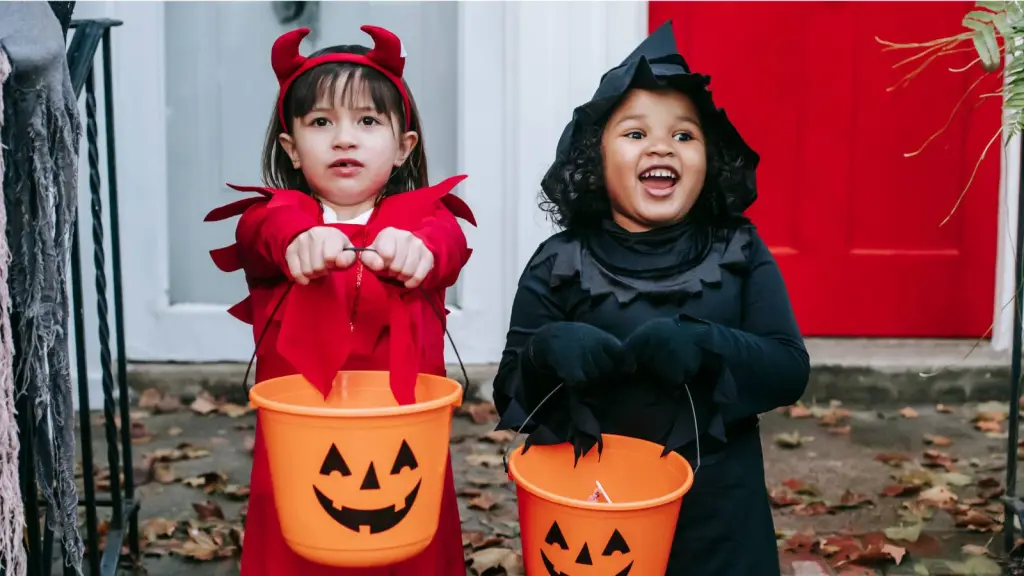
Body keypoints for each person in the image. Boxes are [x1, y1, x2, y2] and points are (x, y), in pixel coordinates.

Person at [491, 21, 810, 575]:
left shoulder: (739, 250)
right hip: (595, 517)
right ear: (595, 159)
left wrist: (708, 345)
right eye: (635, 134)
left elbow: (788, 369)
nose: (661, 145)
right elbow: (512, 397)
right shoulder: (559, 262)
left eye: (684, 135)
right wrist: (547, 351)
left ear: (710, 159)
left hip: (720, 512)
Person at [204, 25, 474, 575]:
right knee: (298, 540)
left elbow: (449, 243)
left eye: (367, 121)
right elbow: (262, 232)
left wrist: (419, 249)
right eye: (320, 123)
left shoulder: (425, 220)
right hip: (305, 439)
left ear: (404, 148)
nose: (343, 139)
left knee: (408, 538)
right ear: (292, 149)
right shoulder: (278, 219)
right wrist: (298, 242)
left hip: (401, 440)